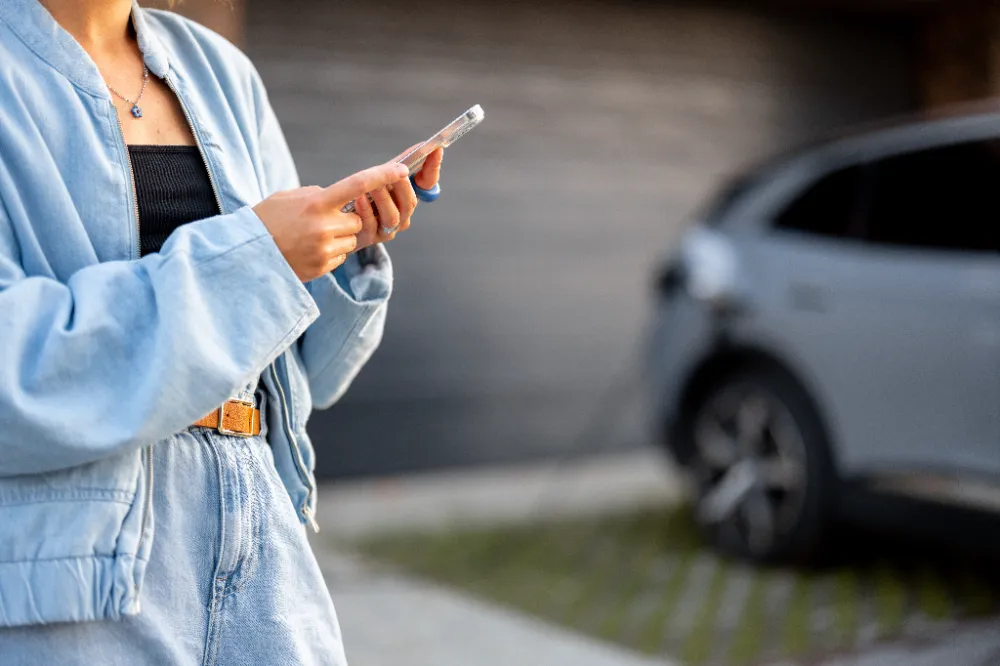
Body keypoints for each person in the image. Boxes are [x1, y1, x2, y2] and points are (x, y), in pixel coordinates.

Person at [0, 0, 444, 663]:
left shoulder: (220, 71)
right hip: (75, 571)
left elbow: (306, 380)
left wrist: (338, 244)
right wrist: (260, 256)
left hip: (262, 541)